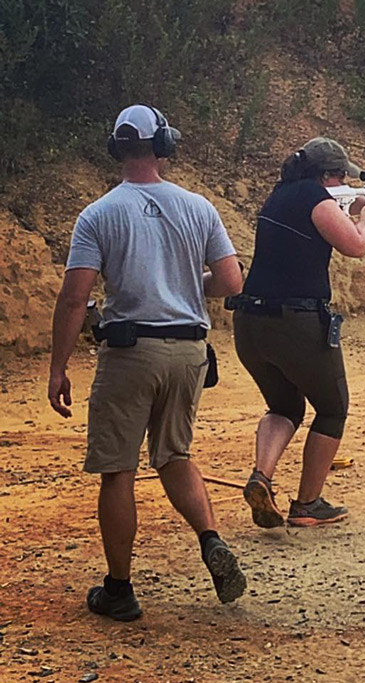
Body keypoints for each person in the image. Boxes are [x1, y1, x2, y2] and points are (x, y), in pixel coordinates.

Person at [48, 104, 247, 621]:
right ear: (163, 147)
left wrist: (58, 367)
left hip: (131, 353)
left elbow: (75, 299)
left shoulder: (99, 214)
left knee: (117, 471)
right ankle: (210, 540)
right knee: (175, 456)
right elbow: (230, 283)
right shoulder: (199, 207)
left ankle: (119, 588)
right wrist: (187, 286)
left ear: (117, 149)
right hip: (189, 352)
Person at [232, 137, 365, 528]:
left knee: (284, 407)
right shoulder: (315, 199)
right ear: (328, 176)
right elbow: (355, 245)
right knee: (332, 408)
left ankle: (261, 477)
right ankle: (307, 503)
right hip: (294, 321)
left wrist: (353, 208)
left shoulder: (280, 195)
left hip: (250, 321)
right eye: (339, 178)